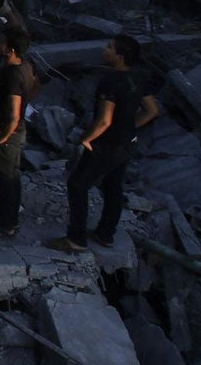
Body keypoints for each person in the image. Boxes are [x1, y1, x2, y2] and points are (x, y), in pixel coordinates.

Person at [49, 36, 161, 253]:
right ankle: (105, 233)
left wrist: (85, 140)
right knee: (113, 186)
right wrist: (129, 127)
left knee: (78, 185)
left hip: (106, 144)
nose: (104, 50)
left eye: (109, 47)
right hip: (127, 143)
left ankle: (75, 239)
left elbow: (104, 120)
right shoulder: (139, 77)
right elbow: (152, 110)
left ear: (120, 57)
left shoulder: (110, 81)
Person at [0, 26, 36, 240]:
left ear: (10, 49)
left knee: (7, 180)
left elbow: (13, 113)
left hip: (7, 135)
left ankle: (7, 224)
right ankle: (6, 218)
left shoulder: (13, 75)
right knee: (9, 178)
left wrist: (2, 137)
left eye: (2, 42)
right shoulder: (25, 67)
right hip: (13, 133)